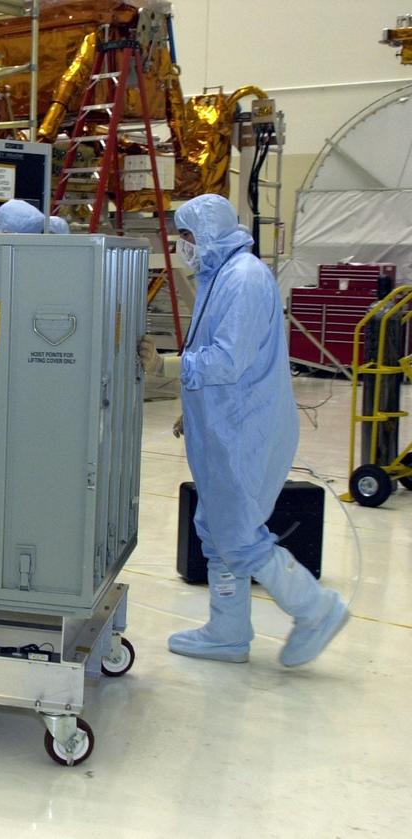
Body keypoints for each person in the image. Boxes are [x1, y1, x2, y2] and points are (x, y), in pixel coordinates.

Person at [139, 194, 347, 667]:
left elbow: (228, 360)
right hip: (225, 424)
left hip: (246, 430)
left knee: (237, 536)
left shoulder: (244, 279)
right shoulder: (219, 277)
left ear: (210, 233)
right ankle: (228, 632)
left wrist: (166, 366)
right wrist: (194, 410)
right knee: (216, 529)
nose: (183, 246)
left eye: (188, 236)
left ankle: (316, 609)